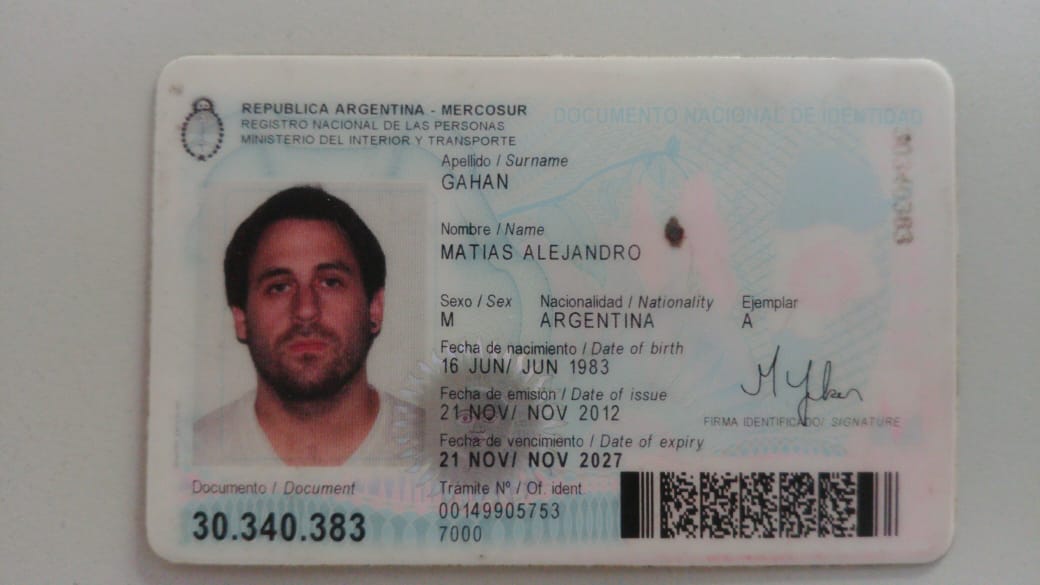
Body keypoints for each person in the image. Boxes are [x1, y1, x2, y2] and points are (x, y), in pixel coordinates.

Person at [193, 186, 422, 466]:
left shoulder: (440, 453)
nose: (305, 310)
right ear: (241, 319)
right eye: (279, 287)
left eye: (330, 282)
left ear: (375, 308)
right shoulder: (192, 456)